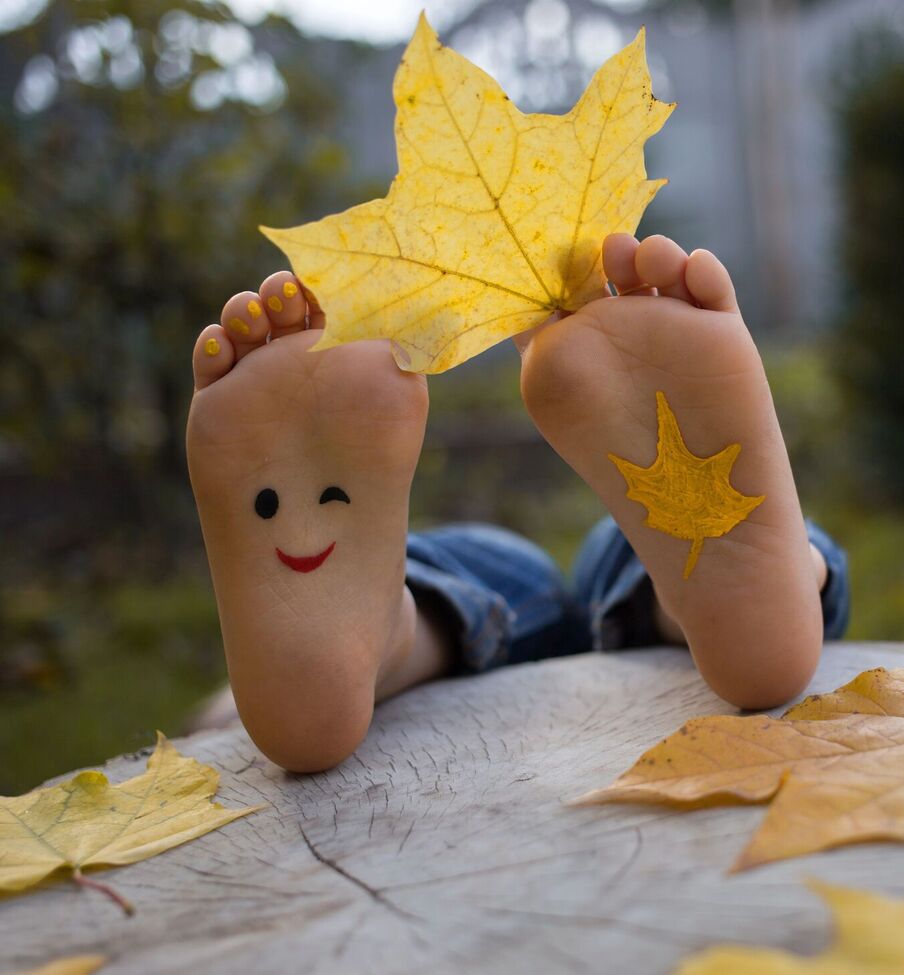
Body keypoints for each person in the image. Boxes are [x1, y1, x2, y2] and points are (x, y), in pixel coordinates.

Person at [187, 233, 849, 772]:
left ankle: (400, 634)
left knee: (478, 570)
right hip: (649, 571)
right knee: (615, 557)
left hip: (487, 608)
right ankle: (740, 585)